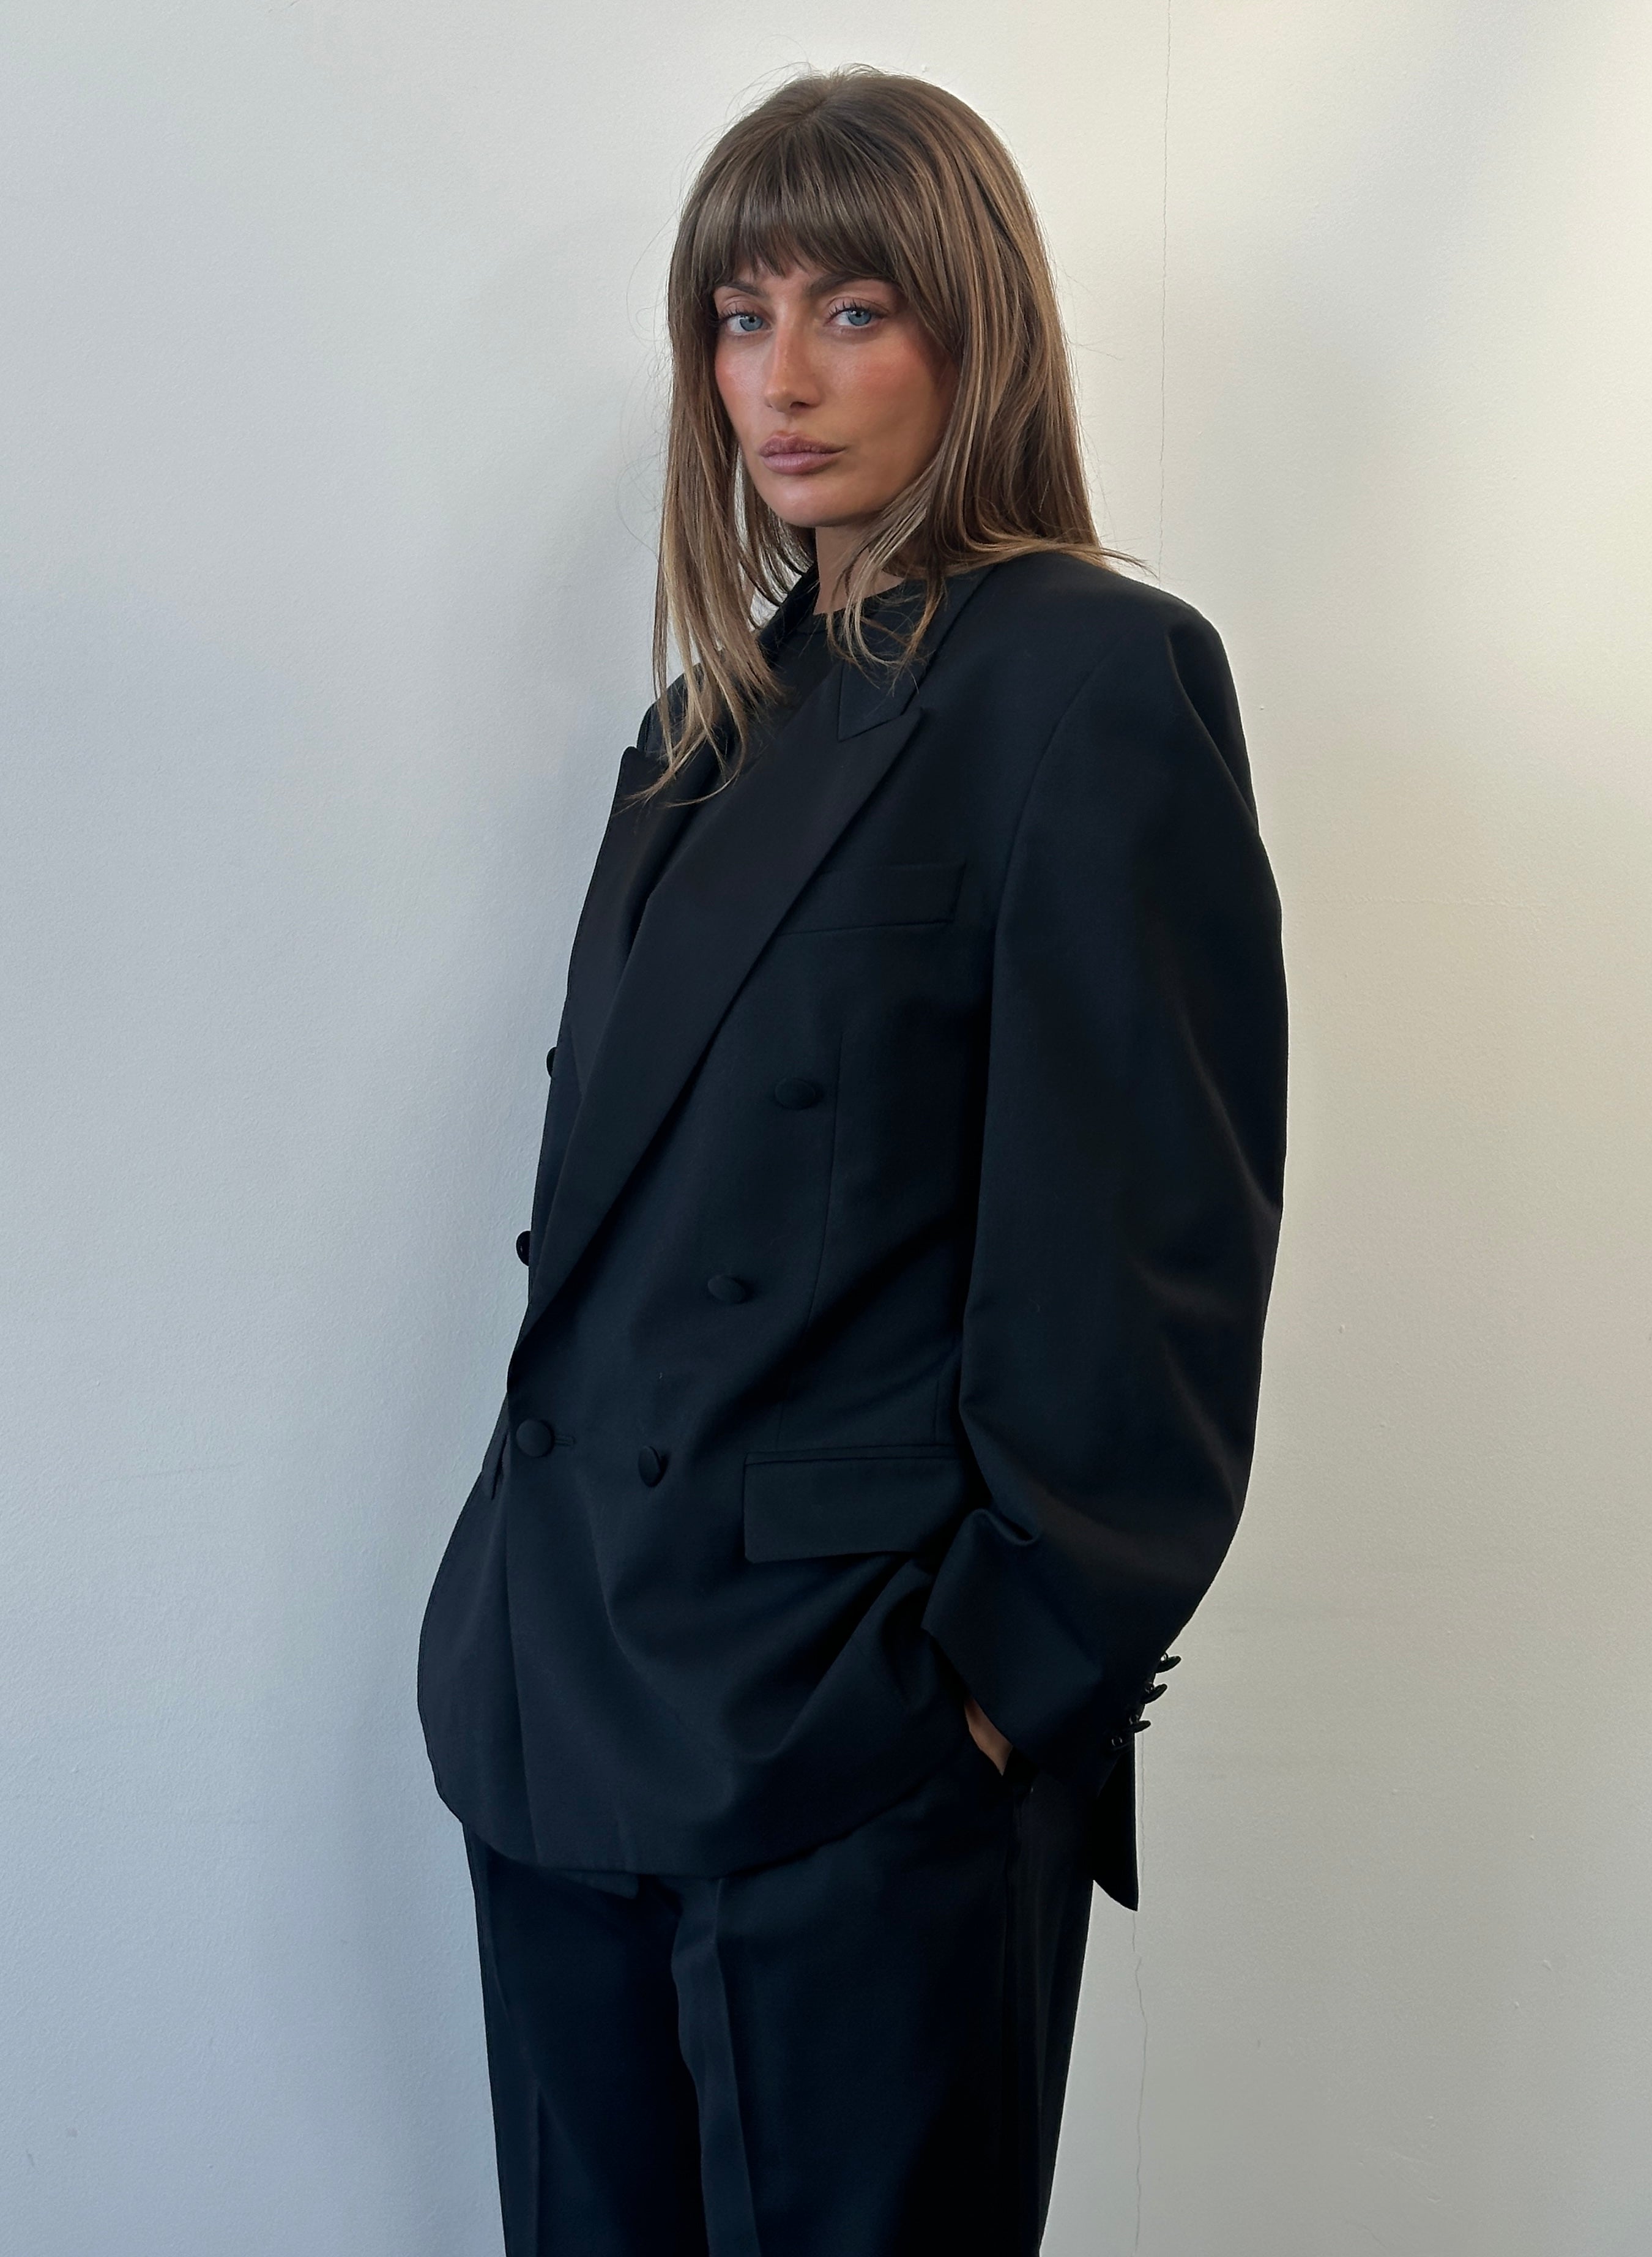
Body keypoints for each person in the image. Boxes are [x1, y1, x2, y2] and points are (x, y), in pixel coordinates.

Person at [418, 66, 1286, 2257]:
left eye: (854, 310)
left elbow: (1150, 1259)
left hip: (851, 1749)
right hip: (561, 1715)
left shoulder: (1090, 676)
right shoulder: (696, 736)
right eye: (740, 317)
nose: (781, 381)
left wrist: (992, 1693)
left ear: (975, 332)